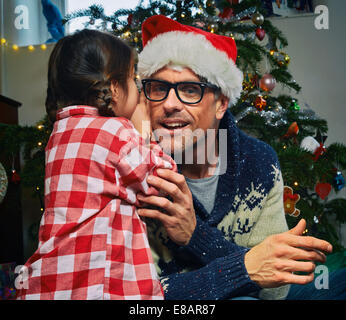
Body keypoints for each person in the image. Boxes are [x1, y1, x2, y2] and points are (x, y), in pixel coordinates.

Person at [135, 15, 334, 300]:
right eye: (158, 88)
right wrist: (243, 270)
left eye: (190, 90)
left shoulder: (258, 163)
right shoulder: (130, 166)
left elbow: (276, 290)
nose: (168, 104)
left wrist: (195, 236)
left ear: (221, 103)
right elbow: (128, 295)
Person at [16, 29, 177, 300]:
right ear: (115, 89)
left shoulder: (60, 132)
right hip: (102, 283)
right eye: (133, 79)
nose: (138, 89)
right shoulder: (115, 132)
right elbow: (162, 179)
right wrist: (142, 128)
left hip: (56, 279)